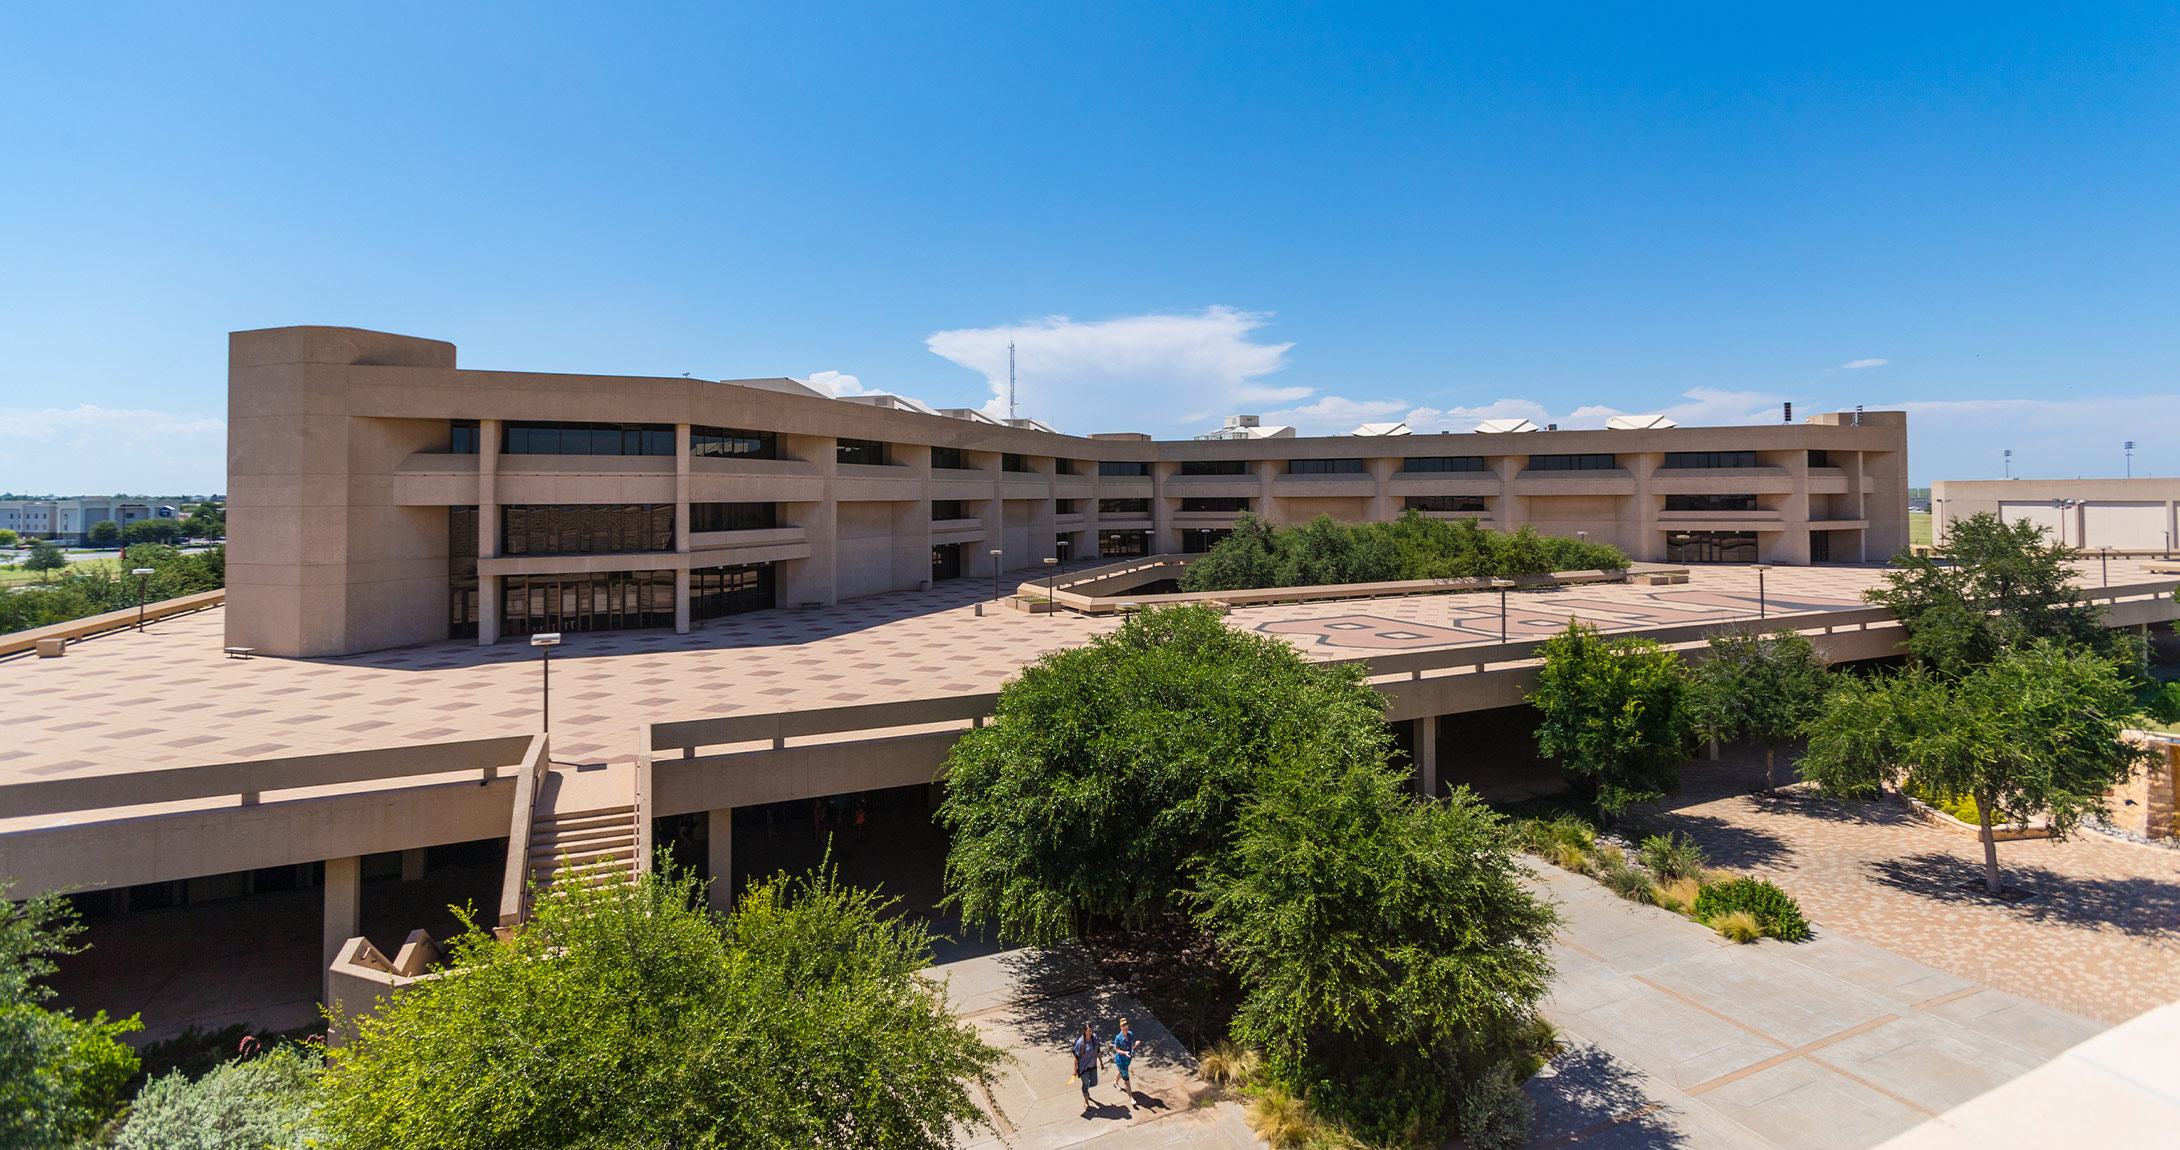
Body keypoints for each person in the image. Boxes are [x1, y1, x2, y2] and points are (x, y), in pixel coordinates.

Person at [1071, 1022, 1101, 1112]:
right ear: (1084, 1031)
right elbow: (1076, 1058)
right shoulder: (1080, 1042)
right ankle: (1086, 1101)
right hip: (1084, 1068)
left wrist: (1101, 1062)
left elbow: (1098, 1050)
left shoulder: (1094, 1038)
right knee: (1085, 1083)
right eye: (1088, 1031)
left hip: (1093, 1065)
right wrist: (1075, 1070)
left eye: (1091, 1031)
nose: (1090, 1033)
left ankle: (1085, 1089)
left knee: (1094, 1082)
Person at [1111, 1017, 1137, 1100]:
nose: (1126, 1030)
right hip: (1121, 1061)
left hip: (1128, 1060)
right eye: (1125, 1029)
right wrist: (1124, 1052)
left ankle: (1115, 1083)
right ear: (1121, 1028)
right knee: (1126, 1080)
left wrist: (1135, 1045)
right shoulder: (1118, 1038)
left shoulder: (1130, 1034)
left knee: (1120, 1072)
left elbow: (1131, 1047)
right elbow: (1117, 1050)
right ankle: (1131, 1098)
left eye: (1127, 1028)